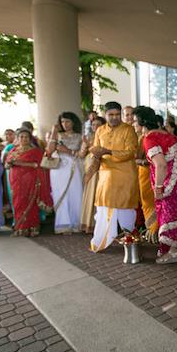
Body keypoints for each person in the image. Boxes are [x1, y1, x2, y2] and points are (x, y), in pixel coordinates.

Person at [133, 106, 177, 263]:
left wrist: (158, 188)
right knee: (176, 212)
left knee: (170, 212)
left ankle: (174, 252)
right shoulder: (162, 133)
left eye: (135, 121)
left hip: (174, 180)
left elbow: (160, 164)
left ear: (141, 123)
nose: (133, 124)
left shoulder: (149, 138)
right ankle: (174, 248)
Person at [90, 101, 139, 252]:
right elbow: (96, 147)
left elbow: (131, 152)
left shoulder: (128, 129)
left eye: (117, 114)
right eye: (111, 115)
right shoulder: (100, 130)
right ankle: (101, 240)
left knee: (126, 211)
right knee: (103, 209)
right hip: (105, 176)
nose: (114, 117)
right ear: (105, 115)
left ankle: (130, 245)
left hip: (125, 175)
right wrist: (95, 153)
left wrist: (108, 152)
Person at [4, 128, 52, 236]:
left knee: (30, 202)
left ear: (30, 139)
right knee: (18, 202)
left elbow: (38, 165)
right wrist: (10, 164)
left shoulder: (36, 151)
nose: (24, 139)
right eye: (21, 137)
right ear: (17, 138)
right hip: (15, 181)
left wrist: (20, 163)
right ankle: (21, 228)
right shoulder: (13, 150)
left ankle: (32, 227)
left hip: (30, 180)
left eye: (26, 137)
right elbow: (6, 165)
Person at [46, 112, 84, 235]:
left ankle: (76, 223)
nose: (65, 124)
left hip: (74, 167)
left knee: (75, 193)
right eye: (62, 121)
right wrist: (53, 132)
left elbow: (82, 153)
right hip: (58, 169)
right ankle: (63, 224)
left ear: (73, 122)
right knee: (60, 194)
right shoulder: (57, 135)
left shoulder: (80, 136)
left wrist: (67, 151)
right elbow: (49, 151)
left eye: (67, 121)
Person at [79, 116, 106, 233]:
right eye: (93, 125)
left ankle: (101, 225)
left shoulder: (105, 137)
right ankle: (89, 224)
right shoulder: (88, 138)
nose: (95, 127)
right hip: (89, 168)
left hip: (101, 169)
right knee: (90, 195)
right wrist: (85, 146)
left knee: (99, 196)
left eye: (98, 125)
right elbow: (81, 155)